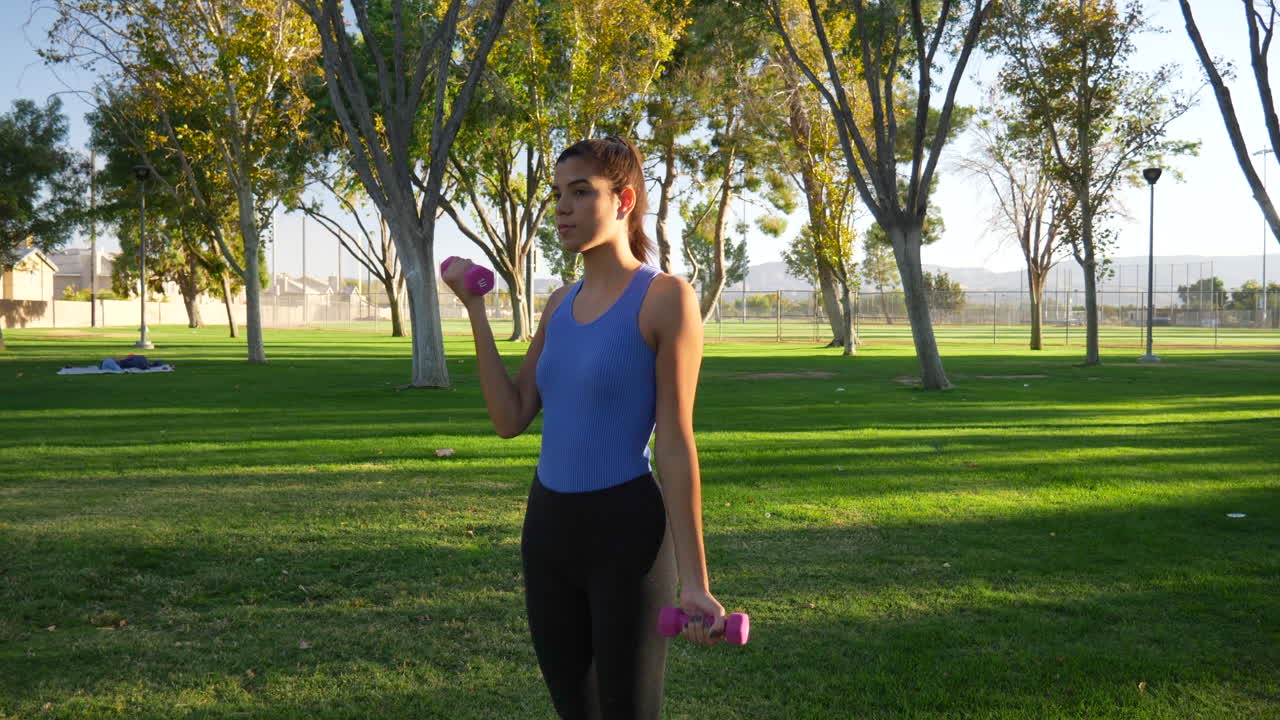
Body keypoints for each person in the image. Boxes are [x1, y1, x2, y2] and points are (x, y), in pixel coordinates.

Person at [442, 136, 725, 719]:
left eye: (580, 192)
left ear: (623, 200)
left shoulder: (665, 298)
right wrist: (474, 311)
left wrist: (695, 582)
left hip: (625, 532)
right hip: (548, 529)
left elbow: (674, 444)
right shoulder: (557, 304)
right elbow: (510, 416)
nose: (562, 209)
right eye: (556, 195)